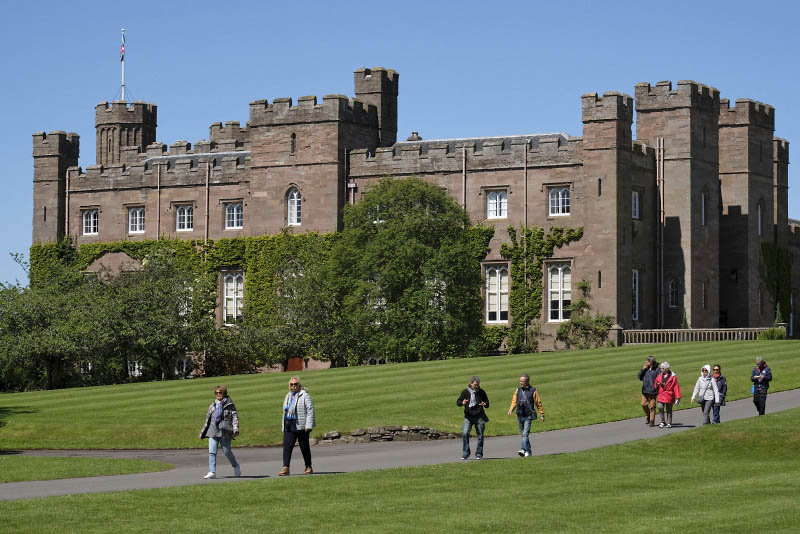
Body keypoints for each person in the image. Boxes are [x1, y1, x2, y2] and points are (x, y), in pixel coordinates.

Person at [199, 385, 241, 479]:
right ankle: (212, 471)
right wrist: (203, 431)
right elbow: (208, 419)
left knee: (227, 451)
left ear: (225, 393)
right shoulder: (213, 404)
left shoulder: (230, 405)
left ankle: (236, 466)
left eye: (220, 392)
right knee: (212, 451)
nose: (218, 394)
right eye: (216, 393)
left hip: (225, 431)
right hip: (213, 430)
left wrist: (235, 428)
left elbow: (235, 417)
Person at [279, 376, 315, 476]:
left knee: (304, 446)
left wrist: (309, 425)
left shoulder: (304, 395)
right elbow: (284, 412)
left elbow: (310, 410)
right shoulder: (288, 396)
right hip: (289, 424)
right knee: (287, 446)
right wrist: (283, 425)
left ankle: (308, 466)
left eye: (295, 384)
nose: (293, 386)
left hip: (301, 425)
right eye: (291, 384)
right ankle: (286, 467)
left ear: (299, 385)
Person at [506, 373, 544, 457]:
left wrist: (542, 414)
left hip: (528, 415)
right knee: (523, 435)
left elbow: (538, 403)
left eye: (522, 381)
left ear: (527, 382)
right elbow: (514, 401)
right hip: (520, 415)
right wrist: (510, 410)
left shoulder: (533, 391)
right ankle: (529, 451)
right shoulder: (518, 390)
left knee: (525, 434)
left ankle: (523, 449)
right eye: (520, 381)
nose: (520, 383)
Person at [457, 376, 490, 460]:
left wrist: (484, 404)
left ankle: (479, 454)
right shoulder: (465, 392)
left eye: (478, 385)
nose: (477, 386)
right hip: (468, 416)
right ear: (471, 383)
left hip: (479, 416)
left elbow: (487, 403)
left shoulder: (481, 392)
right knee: (465, 433)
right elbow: (458, 402)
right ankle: (466, 453)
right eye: (475, 384)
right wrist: (462, 402)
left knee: (480, 435)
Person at [654, 362, 681, 428]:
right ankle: (662, 421)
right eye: (661, 368)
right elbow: (655, 383)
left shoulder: (673, 377)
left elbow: (676, 387)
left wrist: (678, 397)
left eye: (662, 368)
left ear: (666, 369)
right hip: (661, 394)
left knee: (669, 410)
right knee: (660, 407)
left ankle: (669, 422)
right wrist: (657, 384)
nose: (661, 369)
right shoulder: (659, 375)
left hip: (669, 395)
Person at [638, 356, 660, 427]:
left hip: (653, 391)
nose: (646, 362)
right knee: (643, 404)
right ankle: (648, 416)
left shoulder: (657, 370)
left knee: (652, 407)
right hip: (645, 391)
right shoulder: (646, 369)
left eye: (647, 361)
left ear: (650, 362)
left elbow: (659, 379)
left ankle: (651, 421)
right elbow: (639, 377)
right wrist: (642, 370)